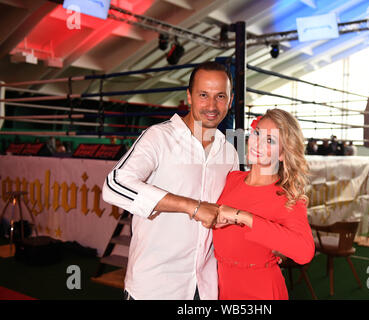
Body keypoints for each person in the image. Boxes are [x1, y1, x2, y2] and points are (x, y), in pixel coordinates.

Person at [102, 61, 239, 300]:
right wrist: (192, 207)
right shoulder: (158, 137)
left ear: (230, 99)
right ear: (189, 96)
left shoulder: (230, 152)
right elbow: (114, 185)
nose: (211, 105)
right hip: (155, 286)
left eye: (220, 96)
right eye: (203, 95)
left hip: (204, 286)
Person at [212, 109, 315, 300]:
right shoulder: (232, 178)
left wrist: (243, 217)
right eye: (257, 133)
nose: (257, 143)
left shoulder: (288, 198)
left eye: (270, 140)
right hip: (221, 285)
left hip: (260, 290)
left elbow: (304, 252)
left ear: (283, 154)